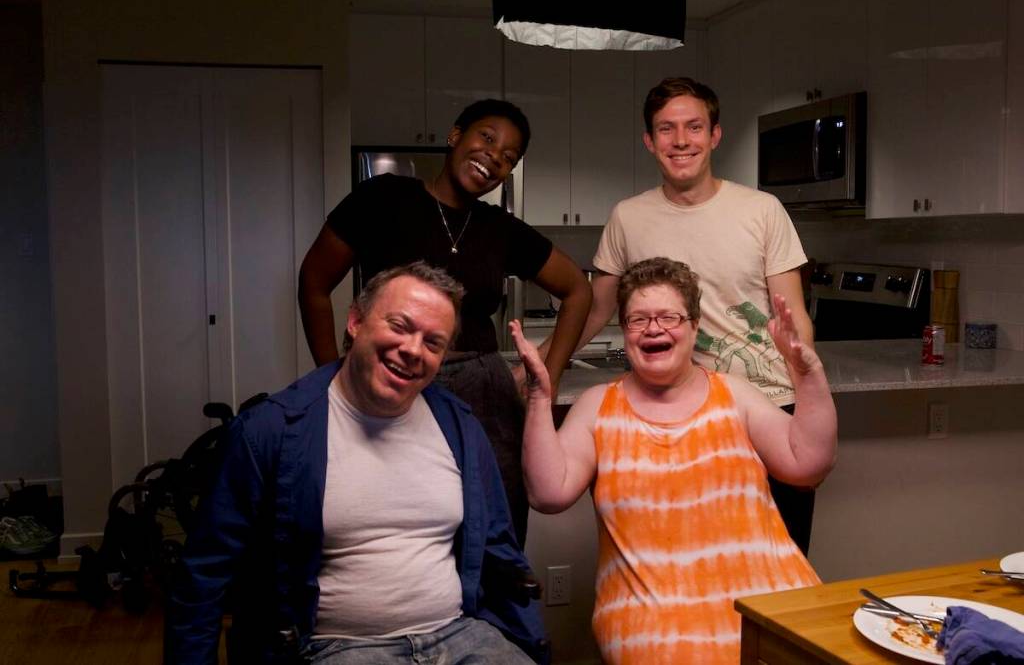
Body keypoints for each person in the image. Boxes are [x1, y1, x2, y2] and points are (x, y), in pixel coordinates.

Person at [166, 262, 547, 665]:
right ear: (355, 321)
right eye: (399, 326)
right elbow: (203, 578)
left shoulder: (460, 427)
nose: (413, 350)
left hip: (460, 635)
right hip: (336, 648)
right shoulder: (268, 431)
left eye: (433, 343)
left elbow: (499, 547)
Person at [511, 257, 837, 664]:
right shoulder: (598, 407)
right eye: (638, 319)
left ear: (694, 327)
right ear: (625, 331)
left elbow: (808, 463)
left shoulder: (734, 394)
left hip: (768, 600)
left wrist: (808, 376)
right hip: (652, 620)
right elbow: (547, 493)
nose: (654, 328)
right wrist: (540, 399)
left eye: (669, 317)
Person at [299, 99, 591, 544]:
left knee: (494, 528)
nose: (494, 156)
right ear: (455, 136)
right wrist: (329, 377)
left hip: (484, 398)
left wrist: (543, 383)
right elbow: (314, 282)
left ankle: (491, 616)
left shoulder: (500, 229)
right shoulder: (384, 198)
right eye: (487, 138)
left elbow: (578, 290)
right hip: (392, 383)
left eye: (509, 156)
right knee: (392, 524)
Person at [573, 76, 818, 552]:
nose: (681, 141)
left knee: (778, 558)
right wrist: (541, 364)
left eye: (694, 127)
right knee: (685, 557)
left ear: (715, 135)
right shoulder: (628, 216)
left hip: (765, 405)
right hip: (669, 411)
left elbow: (794, 320)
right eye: (666, 129)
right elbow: (596, 309)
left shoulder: (762, 210)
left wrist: (810, 401)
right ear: (649, 141)